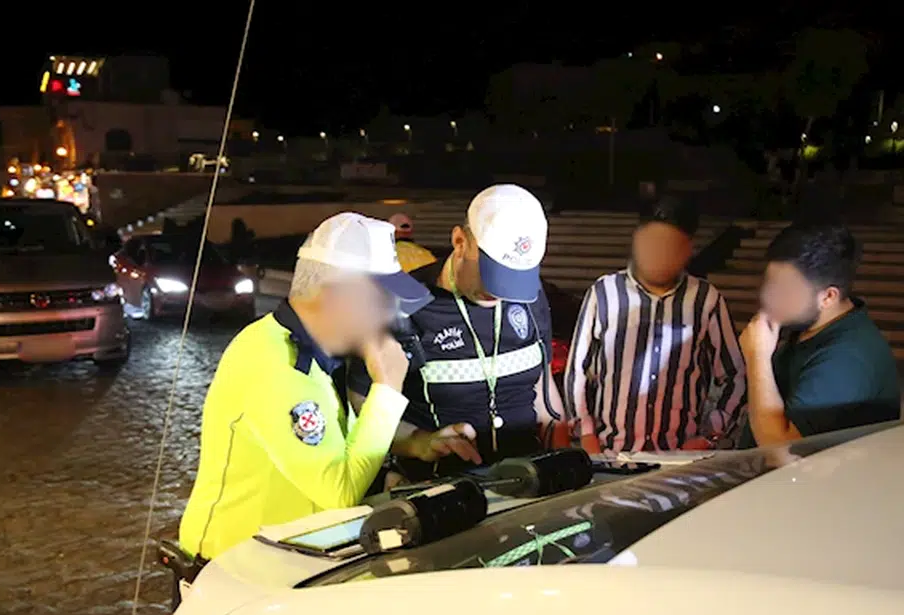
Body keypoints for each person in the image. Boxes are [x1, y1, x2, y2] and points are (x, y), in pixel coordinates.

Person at [178, 212, 463, 561]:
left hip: (292, 556)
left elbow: (339, 442)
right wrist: (388, 387)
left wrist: (418, 444)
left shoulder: (324, 351)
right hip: (232, 568)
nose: (390, 315)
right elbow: (340, 490)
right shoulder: (275, 363)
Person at [350, 184, 567, 479]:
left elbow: (541, 389)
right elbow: (363, 402)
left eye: (515, 279)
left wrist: (564, 454)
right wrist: (419, 443)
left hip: (526, 480)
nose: (502, 293)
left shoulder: (530, 295)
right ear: (459, 241)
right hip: (442, 487)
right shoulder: (397, 302)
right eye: (495, 275)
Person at [565, 195, 746, 453]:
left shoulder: (705, 299)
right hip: (610, 455)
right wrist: (586, 435)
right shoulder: (604, 293)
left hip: (677, 458)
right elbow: (577, 371)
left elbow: (734, 375)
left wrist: (709, 435)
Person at [737, 223, 900, 449]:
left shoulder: (847, 358)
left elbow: (782, 449)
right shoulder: (807, 326)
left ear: (828, 297)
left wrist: (758, 358)